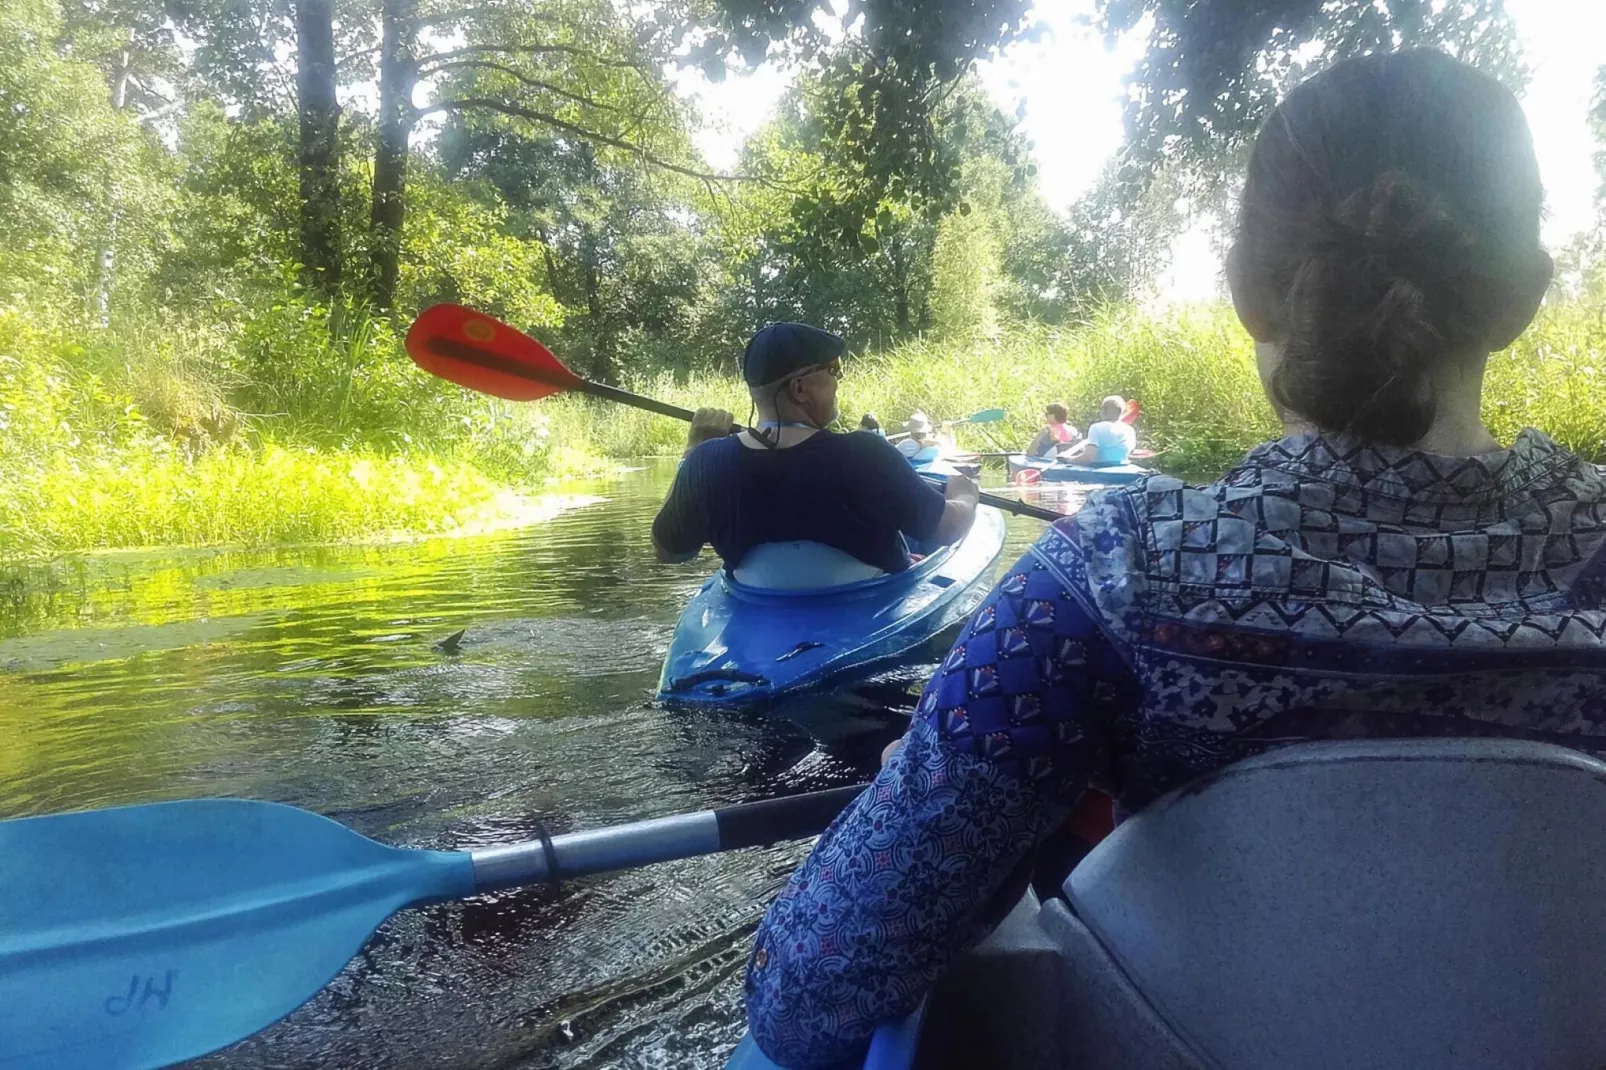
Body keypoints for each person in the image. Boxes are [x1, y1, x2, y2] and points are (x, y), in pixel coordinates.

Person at [743, 50, 1602, 1069]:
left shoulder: (1111, 576)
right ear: (1521, 298)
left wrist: (942, 796)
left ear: (1246, 292)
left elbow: (810, 991)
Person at [652, 323, 979, 583]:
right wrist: (965, 493)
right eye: (833, 370)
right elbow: (947, 529)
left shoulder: (707, 461)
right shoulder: (865, 454)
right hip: (865, 608)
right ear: (799, 388)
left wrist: (693, 450)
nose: (839, 381)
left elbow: (670, 552)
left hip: (759, 616)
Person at [1062, 394, 1136, 466]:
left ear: (1104, 410)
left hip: (1099, 473)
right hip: (1122, 468)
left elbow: (1088, 458)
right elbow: (1129, 452)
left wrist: (1068, 460)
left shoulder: (1096, 427)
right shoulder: (1130, 430)